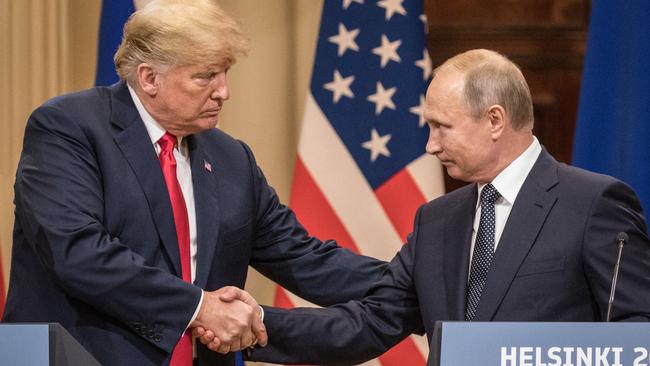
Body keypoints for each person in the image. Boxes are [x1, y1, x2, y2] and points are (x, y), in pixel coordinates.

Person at [1, 1, 386, 365]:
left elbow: (302, 257)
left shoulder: (231, 157)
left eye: (224, 73)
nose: (224, 91)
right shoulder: (69, 128)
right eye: (205, 76)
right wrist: (199, 307)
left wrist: (414, 282)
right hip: (84, 355)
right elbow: (78, 252)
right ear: (149, 78)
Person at [239, 49, 650, 365]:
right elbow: (369, 321)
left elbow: (639, 334)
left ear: (494, 120)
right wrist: (249, 325)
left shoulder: (593, 203)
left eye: (442, 127)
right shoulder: (437, 220)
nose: (430, 145)